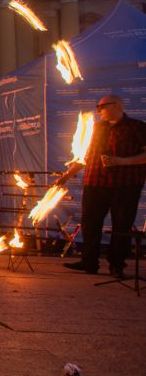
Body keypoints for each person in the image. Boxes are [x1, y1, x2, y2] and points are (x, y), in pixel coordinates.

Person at [58, 95, 146, 278]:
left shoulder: (138, 127)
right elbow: (83, 156)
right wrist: (67, 175)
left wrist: (120, 161)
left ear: (116, 106)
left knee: (122, 226)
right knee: (90, 223)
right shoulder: (95, 129)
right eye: (97, 107)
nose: (98, 111)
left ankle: (117, 265)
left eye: (101, 107)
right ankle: (89, 262)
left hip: (126, 185)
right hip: (95, 184)